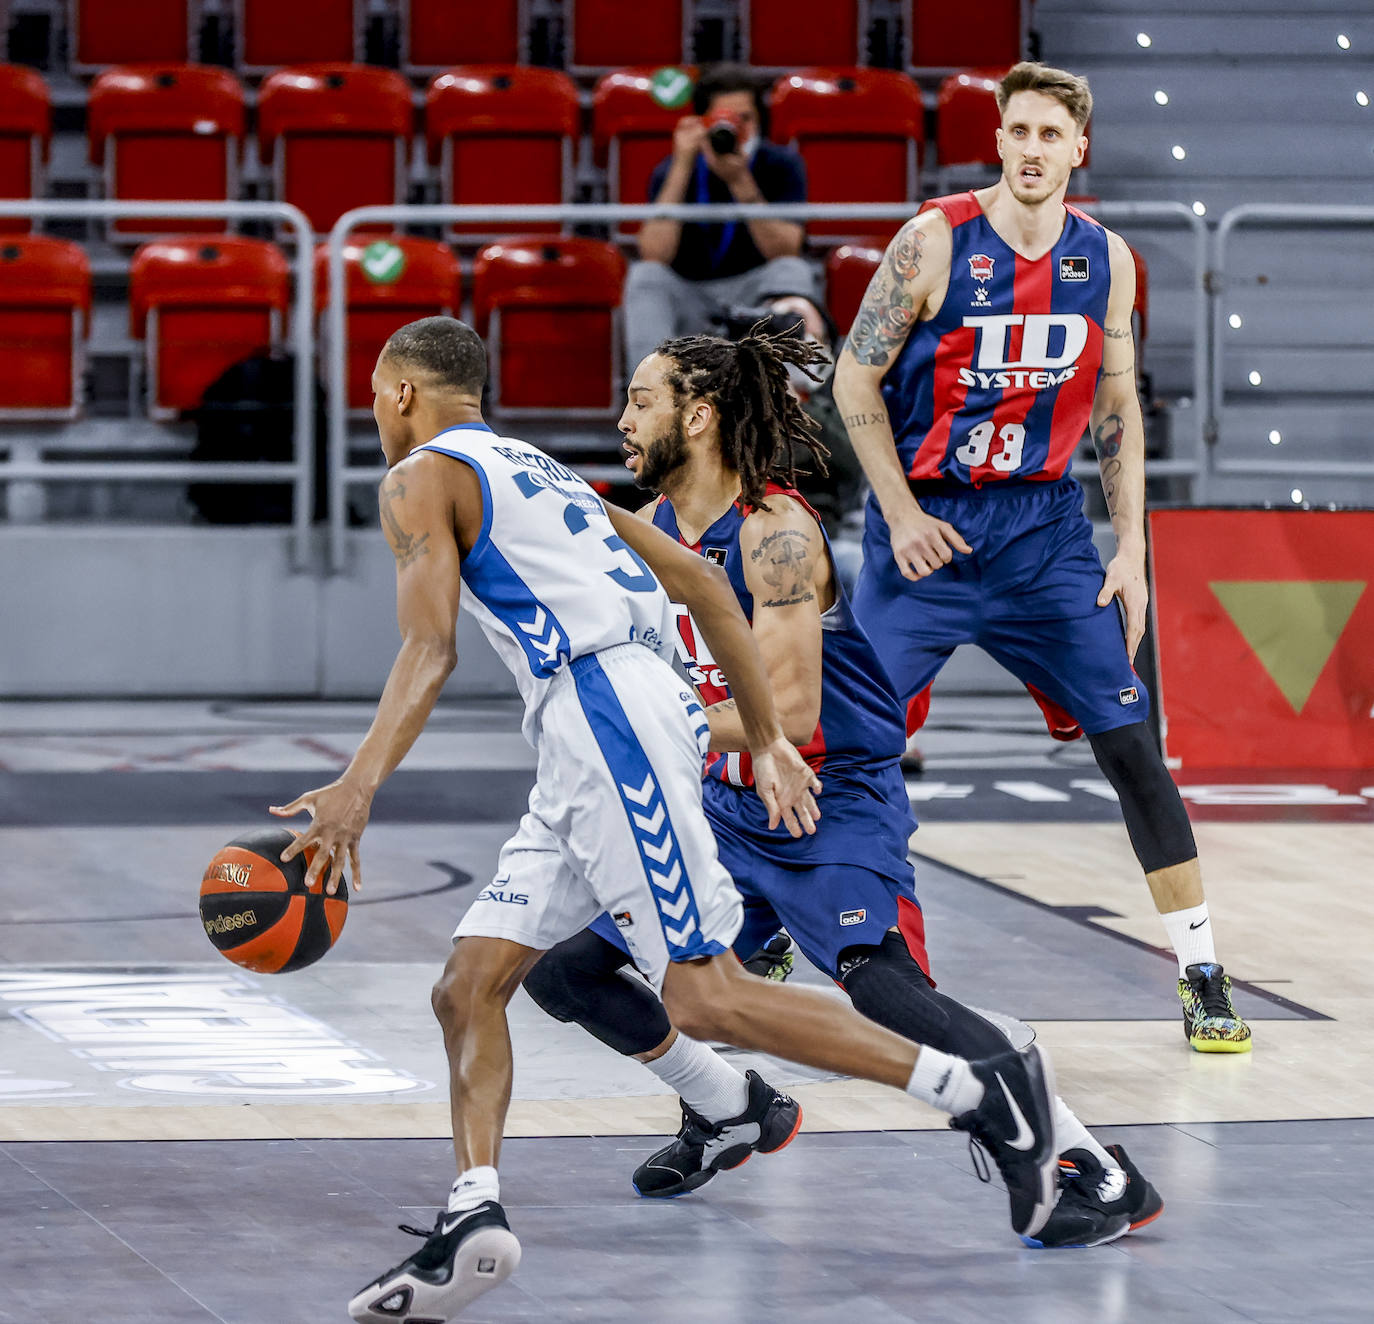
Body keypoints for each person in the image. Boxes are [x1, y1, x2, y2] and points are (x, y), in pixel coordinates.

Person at [271, 316, 1060, 1324]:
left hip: (608, 715)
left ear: (396, 394)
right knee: (470, 984)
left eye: (373, 400)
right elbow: (696, 583)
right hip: (584, 735)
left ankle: (977, 1089)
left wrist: (353, 793)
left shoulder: (418, 476)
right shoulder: (541, 471)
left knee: (709, 994)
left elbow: (429, 651)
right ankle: (483, 1211)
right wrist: (765, 732)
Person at [523, 327, 1162, 1250]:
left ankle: (1092, 1165)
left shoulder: (775, 533)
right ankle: (728, 1106)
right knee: (565, 973)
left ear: (698, 417)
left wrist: (643, 725)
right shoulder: (660, 531)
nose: (623, 421)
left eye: (641, 401)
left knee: (883, 990)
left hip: (829, 800)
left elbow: (785, 708)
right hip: (729, 814)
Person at [831, 62, 1251, 1052]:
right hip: (926, 531)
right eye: (1015, 131)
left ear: (1078, 149)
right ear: (1000, 139)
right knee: (844, 741)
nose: (1029, 149)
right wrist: (895, 513)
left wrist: (1132, 553)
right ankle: (784, 934)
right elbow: (854, 383)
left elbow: (1116, 407)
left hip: (1043, 535)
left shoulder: (1108, 262)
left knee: (1132, 748)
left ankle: (1201, 972)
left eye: (1047, 135)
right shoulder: (932, 240)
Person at [624, 64, 820, 373]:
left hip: (755, 295)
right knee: (645, 277)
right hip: (692, 294)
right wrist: (682, 165)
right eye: (724, 119)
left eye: (745, 119)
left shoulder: (782, 164)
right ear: (703, 122)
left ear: (759, 121)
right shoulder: (673, 169)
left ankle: (791, 397)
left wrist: (741, 183)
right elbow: (654, 253)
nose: (736, 128)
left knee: (792, 270)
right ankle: (652, 398)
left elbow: (785, 249)